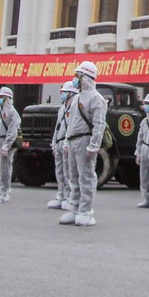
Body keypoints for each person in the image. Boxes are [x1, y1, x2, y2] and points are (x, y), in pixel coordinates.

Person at [59, 61, 107, 227]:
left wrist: (94, 145)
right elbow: (70, 122)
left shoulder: (96, 98)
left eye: (77, 76)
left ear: (86, 77)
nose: (75, 79)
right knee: (74, 177)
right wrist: (66, 141)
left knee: (85, 177)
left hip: (85, 140)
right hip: (73, 140)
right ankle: (74, 208)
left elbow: (99, 124)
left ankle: (86, 211)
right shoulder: (77, 98)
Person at [47, 81, 75, 210]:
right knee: (59, 172)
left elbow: (71, 128)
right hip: (58, 142)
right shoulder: (62, 109)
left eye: (64, 92)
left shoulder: (74, 108)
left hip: (66, 143)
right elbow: (57, 128)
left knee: (68, 172)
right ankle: (61, 195)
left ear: (71, 93)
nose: (62, 94)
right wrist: (54, 143)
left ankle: (70, 197)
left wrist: (66, 143)